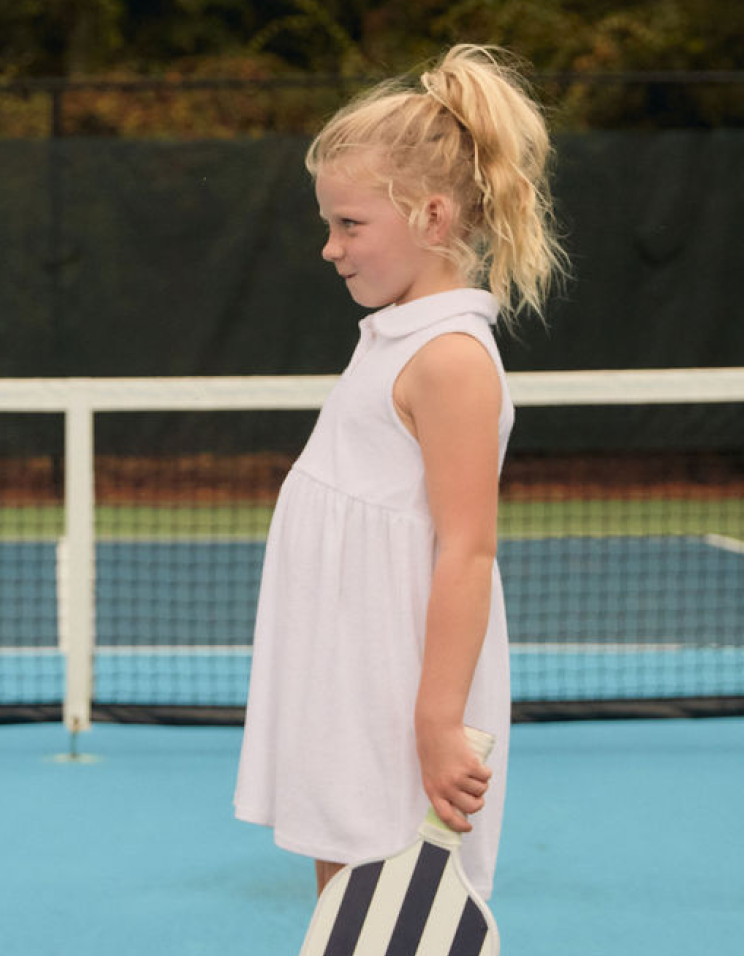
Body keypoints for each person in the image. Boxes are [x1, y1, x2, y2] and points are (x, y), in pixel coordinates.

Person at [233, 44, 566, 901]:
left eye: (349, 225)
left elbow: (465, 551)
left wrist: (435, 721)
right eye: (328, 223)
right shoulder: (390, 336)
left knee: (407, 910)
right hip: (346, 676)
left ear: (432, 217)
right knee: (347, 903)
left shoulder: (450, 359)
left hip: (401, 687)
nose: (329, 248)